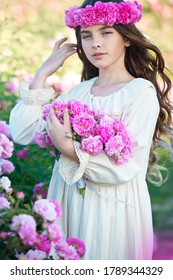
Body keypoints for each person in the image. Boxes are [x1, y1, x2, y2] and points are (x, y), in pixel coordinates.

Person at [9, 0, 173, 260]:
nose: (95, 43)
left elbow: (126, 167)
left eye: (106, 32)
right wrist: (42, 74)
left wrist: (69, 150)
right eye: (87, 35)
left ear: (127, 38)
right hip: (69, 202)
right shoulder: (79, 92)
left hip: (112, 208)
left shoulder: (140, 93)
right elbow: (22, 132)